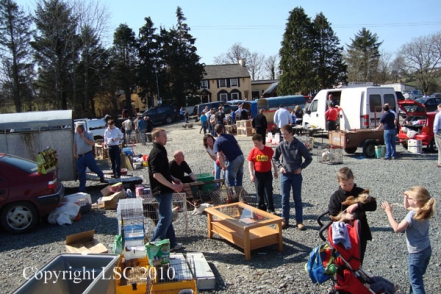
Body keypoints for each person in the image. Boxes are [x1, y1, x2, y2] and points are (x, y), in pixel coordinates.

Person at [381, 186, 436, 294]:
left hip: (416, 253)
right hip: (426, 249)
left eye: (409, 198)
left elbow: (397, 228)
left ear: (415, 201)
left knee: (416, 282)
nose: (407, 199)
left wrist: (388, 212)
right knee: (416, 278)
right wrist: (407, 197)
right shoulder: (424, 210)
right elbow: (407, 207)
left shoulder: (412, 215)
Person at [328, 167, 377, 265]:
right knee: (344, 259)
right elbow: (332, 214)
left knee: (358, 259)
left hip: (360, 232)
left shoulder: (360, 191)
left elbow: (373, 206)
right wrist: (345, 217)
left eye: (350, 184)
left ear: (353, 179)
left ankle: (357, 277)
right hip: (343, 233)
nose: (348, 187)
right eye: (344, 185)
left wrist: (358, 205)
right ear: (338, 182)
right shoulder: (336, 196)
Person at [148, 128, 184, 251]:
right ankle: (153, 244)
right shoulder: (156, 153)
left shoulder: (161, 151)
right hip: (161, 190)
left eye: (165, 135)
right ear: (156, 138)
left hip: (165, 189)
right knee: (164, 218)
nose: (166, 137)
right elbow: (156, 174)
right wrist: (172, 186)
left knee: (167, 216)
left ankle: (172, 243)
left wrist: (173, 178)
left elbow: (164, 171)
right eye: (163, 136)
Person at [272, 124, 312, 230]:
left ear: (291, 133)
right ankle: (285, 220)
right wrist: (280, 166)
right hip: (285, 175)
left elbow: (308, 158)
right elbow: (274, 157)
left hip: (296, 175)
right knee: (284, 198)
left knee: (297, 198)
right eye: (282, 134)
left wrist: (301, 168)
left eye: (285, 134)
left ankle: (299, 221)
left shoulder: (299, 145)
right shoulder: (281, 145)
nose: (283, 136)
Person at [248, 134, 278, 213]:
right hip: (258, 174)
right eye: (254, 143)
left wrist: (275, 171)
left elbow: (274, 161)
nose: (255, 145)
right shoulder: (253, 151)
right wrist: (251, 174)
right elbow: (250, 163)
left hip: (267, 174)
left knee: (268, 192)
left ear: (261, 141)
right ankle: (261, 208)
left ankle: (271, 209)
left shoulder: (268, 149)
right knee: (259, 192)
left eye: (256, 143)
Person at [73, 124, 106, 191]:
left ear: (82, 129)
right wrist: (74, 153)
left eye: (79, 131)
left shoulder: (89, 133)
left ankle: (101, 176)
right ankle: (82, 188)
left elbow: (91, 143)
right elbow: (75, 144)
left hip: (88, 155)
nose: (78, 132)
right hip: (80, 156)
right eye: (77, 130)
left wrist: (83, 137)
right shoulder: (76, 134)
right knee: (81, 173)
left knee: (94, 168)